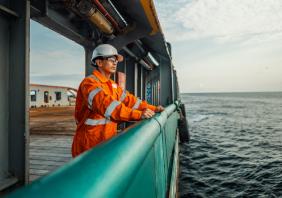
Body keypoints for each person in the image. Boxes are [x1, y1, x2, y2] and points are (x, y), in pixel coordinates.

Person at [72, 44, 164, 157]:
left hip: (106, 142)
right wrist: (139, 115)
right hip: (88, 145)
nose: (115, 63)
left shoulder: (112, 85)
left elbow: (132, 101)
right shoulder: (89, 84)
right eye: (111, 59)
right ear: (99, 63)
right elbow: (109, 107)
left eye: (116, 60)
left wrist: (154, 108)